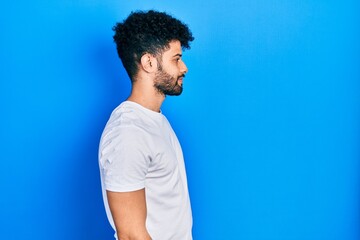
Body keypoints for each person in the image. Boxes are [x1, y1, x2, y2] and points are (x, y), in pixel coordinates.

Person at [98, 10, 194, 240]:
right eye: (176, 58)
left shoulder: (153, 119)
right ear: (149, 62)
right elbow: (131, 234)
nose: (184, 68)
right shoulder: (128, 132)